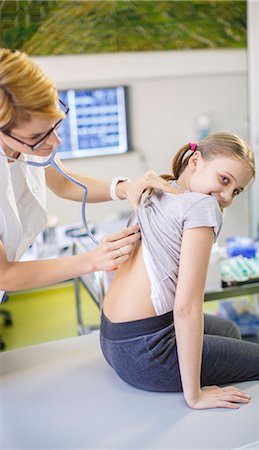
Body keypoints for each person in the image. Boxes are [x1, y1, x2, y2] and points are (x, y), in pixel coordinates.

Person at [100, 133, 259, 409]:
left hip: (113, 341)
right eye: (225, 180)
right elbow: (187, 307)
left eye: (237, 191)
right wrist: (194, 395)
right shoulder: (203, 206)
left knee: (228, 329)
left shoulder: (157, 186)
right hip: (147, 353)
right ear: (196, 160)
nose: (227, 197)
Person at [0, 48, 177, 300]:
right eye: (37, 137)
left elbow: (63, 182)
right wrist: (92, 261)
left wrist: (123, 187)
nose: (56, 141)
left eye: (55, 124)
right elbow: (4, 275)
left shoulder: (26, 140)